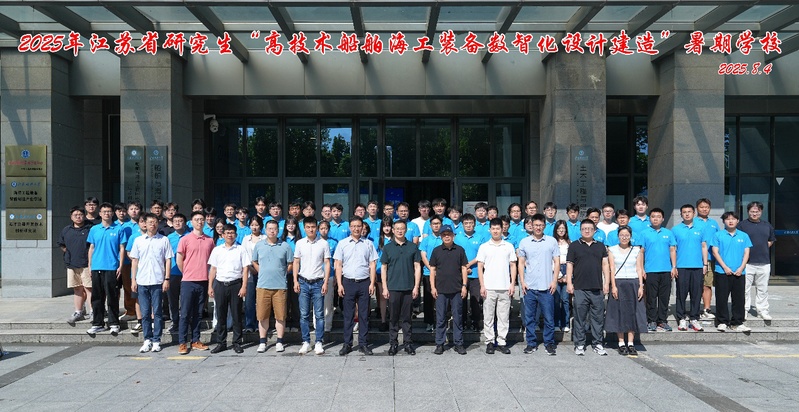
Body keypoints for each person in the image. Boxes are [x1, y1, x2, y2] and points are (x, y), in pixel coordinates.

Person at [129, 213, 174, 353]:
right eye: (149, 222)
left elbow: (168, 260)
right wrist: (133, 279)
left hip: (157, 280)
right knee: (145, 312)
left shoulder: (164, 240)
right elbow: (134, 261)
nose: (152, 225)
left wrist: (167, 278)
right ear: (144, 224)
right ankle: (147, 339)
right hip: (142, 281)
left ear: (158, 224)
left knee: (158, 312)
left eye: (155, 222)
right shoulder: (138, 240)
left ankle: (156, 340)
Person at [335, 216, 379, 356]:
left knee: (364, 315)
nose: (356, 229)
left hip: (364, 282)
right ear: (350, 228)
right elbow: (338, 265)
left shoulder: (368, 244)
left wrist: (372, 283)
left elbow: (372, 264)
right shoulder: (342, 244)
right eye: (353, 226)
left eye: (359, 226)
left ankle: (363, 344)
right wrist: (339, 284)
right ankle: (347, 344)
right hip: (348, 282)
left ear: (362, 228)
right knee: (348, 315)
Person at [516, 214, 559, 355]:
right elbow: (521, 263)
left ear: (544, 226)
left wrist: (554, 281)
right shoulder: (524, 242)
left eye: (540, 225)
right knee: (529, 318)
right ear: (531, 226)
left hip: (547, 286)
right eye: (536, 225)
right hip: (530, 286)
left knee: (549, 318)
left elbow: (557, 262)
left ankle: (549, 343)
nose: (538, 227)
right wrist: (522, 281)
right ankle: (531, 343)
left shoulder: (552, 241)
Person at [566, 219, 610, 356]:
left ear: (594, 230)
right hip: (580, 288)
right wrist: (569, 283)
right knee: (580, 318)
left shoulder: (600, 246)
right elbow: (569, 265)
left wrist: (606, 283)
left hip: (597, 288)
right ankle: (579, 344)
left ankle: (597, 343)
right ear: (580, 230)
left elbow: (605, 265)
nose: (587, 231)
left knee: (598, 318)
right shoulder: (574, 246)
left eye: (590, 228)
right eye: (584, 228)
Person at [251, 219, 294, 353]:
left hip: (280, 286)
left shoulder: (285, 246)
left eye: (274, 229)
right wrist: (262, 271)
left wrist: (282, 273)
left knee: (280, 316)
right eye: (269, 229)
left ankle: (279, 341)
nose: (272, 231)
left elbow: (290, 263)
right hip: (263, 285)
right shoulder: (259, 245)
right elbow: (254, 261)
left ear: (278, 230)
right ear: (265, 230)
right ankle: (262, 341)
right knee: (262, 316)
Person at [176, 211, 215, 355]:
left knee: (198, 313)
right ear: (191, 222)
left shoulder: (209, 240)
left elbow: (213, 261)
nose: (199, 222)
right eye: (196, 219)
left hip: (203, 280)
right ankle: (182, 342)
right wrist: (186, 272)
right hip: (188, 281)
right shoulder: (185, 239)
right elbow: (179, 259)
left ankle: (195, 340)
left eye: (201, 219)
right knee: (185, 313)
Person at [86, 202, 128, 336]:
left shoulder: (118, 229)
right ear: (100, 214)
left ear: (113, 213)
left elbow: (122, 248)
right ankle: (97, 323)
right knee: (97, 297)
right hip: (97, 266)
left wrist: (120, 265)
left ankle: (114, 323)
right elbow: (91, 248)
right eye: (104, 212)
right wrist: (90, 265)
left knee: (112, 296)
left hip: (112, 266)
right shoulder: (94, 229)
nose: (107, 214)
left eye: (109, 211)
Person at [380, 220, 422, 356]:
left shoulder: (412, 247)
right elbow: (384, 268)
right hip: (393, 287)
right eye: (397, 228)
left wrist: (416, 287)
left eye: (402, 228)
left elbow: (417, 267)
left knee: (407, 318)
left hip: (408, 287)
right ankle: (393, 343)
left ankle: (408, 343)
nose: (399, 231)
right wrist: (384, 287)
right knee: (393, 317)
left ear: (406, 230)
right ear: (393, 230)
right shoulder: (387, 247)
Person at [478, 218, 518, 355]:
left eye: (498, 228)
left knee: (503, 317)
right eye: (493, 228)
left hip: (505, 287)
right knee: (488, 316)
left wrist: (512, 284)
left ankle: (502, 342)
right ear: (489, 230)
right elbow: (480, 266)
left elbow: (513, 265)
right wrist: (482, 285)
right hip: (489, 287)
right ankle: (489, 341)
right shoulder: (484, 246)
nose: (495, 231)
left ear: (502, 229)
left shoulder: (508, 246)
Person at [207, 224, 249, 354]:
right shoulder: (217, 250)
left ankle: (237, 342)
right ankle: (221, 343)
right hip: (220, 284)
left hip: (236, 284)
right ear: (223, 235)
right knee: (221, 315)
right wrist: (210, 286)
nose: (230, 235)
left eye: (232, 233)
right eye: (227, 233)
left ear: (235, 235)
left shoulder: (241, 249)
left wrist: (244, 286)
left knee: (236, 315)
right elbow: (213, 269)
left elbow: (245, 269)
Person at [605, 226, 647, 356]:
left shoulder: (636, 250)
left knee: (632, 312)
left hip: (633, 282)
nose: (624, 237)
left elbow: (639, 268)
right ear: (618, 236)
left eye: (627, 235)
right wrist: (613, 286)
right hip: (619, 282)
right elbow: (612, 268)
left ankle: (631, 343)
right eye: (622, 235)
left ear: (630, 236)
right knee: (619, 312)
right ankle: (621, 342)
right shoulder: (612, 250)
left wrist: (641, 286)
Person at [293, 217, 331, 355]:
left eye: (313, 227)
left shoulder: (323, 243)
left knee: (319, 314)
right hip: (303, 282)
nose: (311, 229)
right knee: (304, 314)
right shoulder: (300, 243)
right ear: (304, 228)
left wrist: (325, 282)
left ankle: (319, 341)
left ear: (317, 227)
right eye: (308, 227)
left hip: (318, 282)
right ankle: (306, 342)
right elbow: (296, 262)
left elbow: (327, 263)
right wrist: (295, 281)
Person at [429, 224, 469, 355]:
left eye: (449, 234)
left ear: (453, 236)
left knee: (457, 318)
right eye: (444, 235)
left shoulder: (460, 250)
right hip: (441, 290)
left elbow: (464, 268)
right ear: (441, 236)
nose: (447, 237)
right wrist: (433, 287)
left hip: (457, 289)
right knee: (441, 318)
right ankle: (439, 344)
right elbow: (432, 270)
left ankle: (459, 343)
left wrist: (464, 286)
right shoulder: (436, 251)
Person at [711, 211, 752, 332]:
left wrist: (741, 268)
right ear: (724, 221)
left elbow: (747, 253)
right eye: (728, 219)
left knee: (739, 298)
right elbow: (715, 252)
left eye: (733, 219)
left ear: (737, 221)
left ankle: (737, 322)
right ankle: (722, 321)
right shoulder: (718, 235)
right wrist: (725, 267)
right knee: (721, 298)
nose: (730, 221)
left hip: (739, 272)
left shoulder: (744, 236)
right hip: (722, 271)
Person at [737, 201, 776, 321]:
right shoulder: (742, 225)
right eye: (752, 211)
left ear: (761, 212)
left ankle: (762, 310)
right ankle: (743, 310)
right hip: (747, 263)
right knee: (745, 289)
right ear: (748, 212)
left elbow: (770, 241)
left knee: (763, 289)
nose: (754, 214)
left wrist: (761, 248)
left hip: (764, 262)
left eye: (757, 211)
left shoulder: (767, 225)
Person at [640, 208, 677, 332]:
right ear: (649, 218)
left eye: (658, 216)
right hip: (650, 270)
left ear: (663, 219)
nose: (655, 219)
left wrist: (674, 267)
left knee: (664, 297)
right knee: (651, 297)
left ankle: (662, 320)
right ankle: (651, 320)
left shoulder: (668, 233)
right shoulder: (644, 233)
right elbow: (641, 252)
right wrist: (642, 269)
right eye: (653, 216)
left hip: (666, 270)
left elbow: (672, 250)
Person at [672, 204, 707, 332]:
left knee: (696, 294)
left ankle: (694, 318)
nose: (687, 214)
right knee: (681, 293)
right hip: (682, 266)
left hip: (697, 266)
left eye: (689, 212)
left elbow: (704, 246)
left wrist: (705, 264)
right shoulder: (675, 229)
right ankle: (681, 318)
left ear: (694, 213)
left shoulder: (701, 228)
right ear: (681, 214)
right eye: (684, 212)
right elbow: (673, 249)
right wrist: (674, 266)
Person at [58, 206, 93, 326]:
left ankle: (93, 311)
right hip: (72, 264)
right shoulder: (66, 230)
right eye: (75, 215)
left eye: (80, 215)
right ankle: (78, 312)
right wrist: (69, 253)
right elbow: (61, 244)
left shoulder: (90, 228)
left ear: (84, 216)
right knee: (77, 289)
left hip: (87, 264)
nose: (78, 217)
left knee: (89, 288)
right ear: (71, 217)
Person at [454, 213, 486, 331]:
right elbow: (454, 255)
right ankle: (461, 322)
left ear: (474, 224)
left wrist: (468, 265)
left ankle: (475, 322)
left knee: (475, 300)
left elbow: (481, 255)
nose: (468, 225)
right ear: (462, 224)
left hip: (476, 273)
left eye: (471, 223)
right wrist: (463, 267)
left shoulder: (480, 237)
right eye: (466, 223)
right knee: (461, 299)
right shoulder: (457, 237)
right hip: (460, 274)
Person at [241, 215, 266, 333]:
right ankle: (249, 324)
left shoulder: (265, 238)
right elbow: (244, 255)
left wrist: (259, 268)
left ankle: (260, 324)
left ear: (260, 226)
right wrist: (251, 268)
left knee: (261, 300)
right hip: (250, 272)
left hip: (263, 271)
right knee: (249, 300)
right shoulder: (246, 239)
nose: (254, 227)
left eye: (256, 225)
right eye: (252, 225)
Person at [696, 198, 719, 320]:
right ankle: (695, 308)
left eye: (707, 207)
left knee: (707, 284)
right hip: (695, 259)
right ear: (697, 208)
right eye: (702, 207)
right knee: (696, 285)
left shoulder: (714, 223)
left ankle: (706, 308)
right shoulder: (693, 222)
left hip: (711, 258)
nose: (704, 209)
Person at [165, 213, 189, 333]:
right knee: (173, 300)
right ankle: (175, 321)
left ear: (185, 223)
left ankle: (186, 322)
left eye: (180, 221)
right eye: (175, 221)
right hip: (173, 272)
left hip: (188, 273)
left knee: (186, 300)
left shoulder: (190, 236)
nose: (178, 223)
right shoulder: (168, 238)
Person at [419, 216, 444, 332]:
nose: (436, 226)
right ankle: (429, 322)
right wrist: (431, 269)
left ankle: (441, 321)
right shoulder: (426, 240)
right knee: (429, 299)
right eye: (434, 224)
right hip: (428, 273)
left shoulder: (445, 238)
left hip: (442, 273)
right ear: (430, 226)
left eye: (438, 223)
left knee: (441, 299)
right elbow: (423, 256)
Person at [318, 220, 339, 335]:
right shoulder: (315, 242)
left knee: (328, 302)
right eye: (321, 228)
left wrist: (335, 275)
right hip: (316, 275)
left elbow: (336, 261)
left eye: (326, 228)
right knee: (317, 302)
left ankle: (327, 325)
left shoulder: (333, 242)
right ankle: (317, 325)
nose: (324, 231)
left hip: (329, 275)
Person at [374, 217, 394, 331]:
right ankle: (383, 320)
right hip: (380, 271)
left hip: (393, 271)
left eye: (389, 225)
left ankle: (392, 320)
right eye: (384, 226)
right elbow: (373, 257)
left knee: (392, 297)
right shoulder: (378, 240)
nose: (387, 228)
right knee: (383, 296)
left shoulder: (395, 239)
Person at [552, 220, 571, 332]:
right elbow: (551, 259)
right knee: (556, 299)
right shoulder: (552, 242)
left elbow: (572, 260)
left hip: (567, 268)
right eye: (559, 228)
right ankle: (556, 323)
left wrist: (567, 275)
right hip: (555, 269)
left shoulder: (569, 243)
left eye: (563, 228)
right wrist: (557, 274)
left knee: (565, 299)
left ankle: (565, 323)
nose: (561, 230)